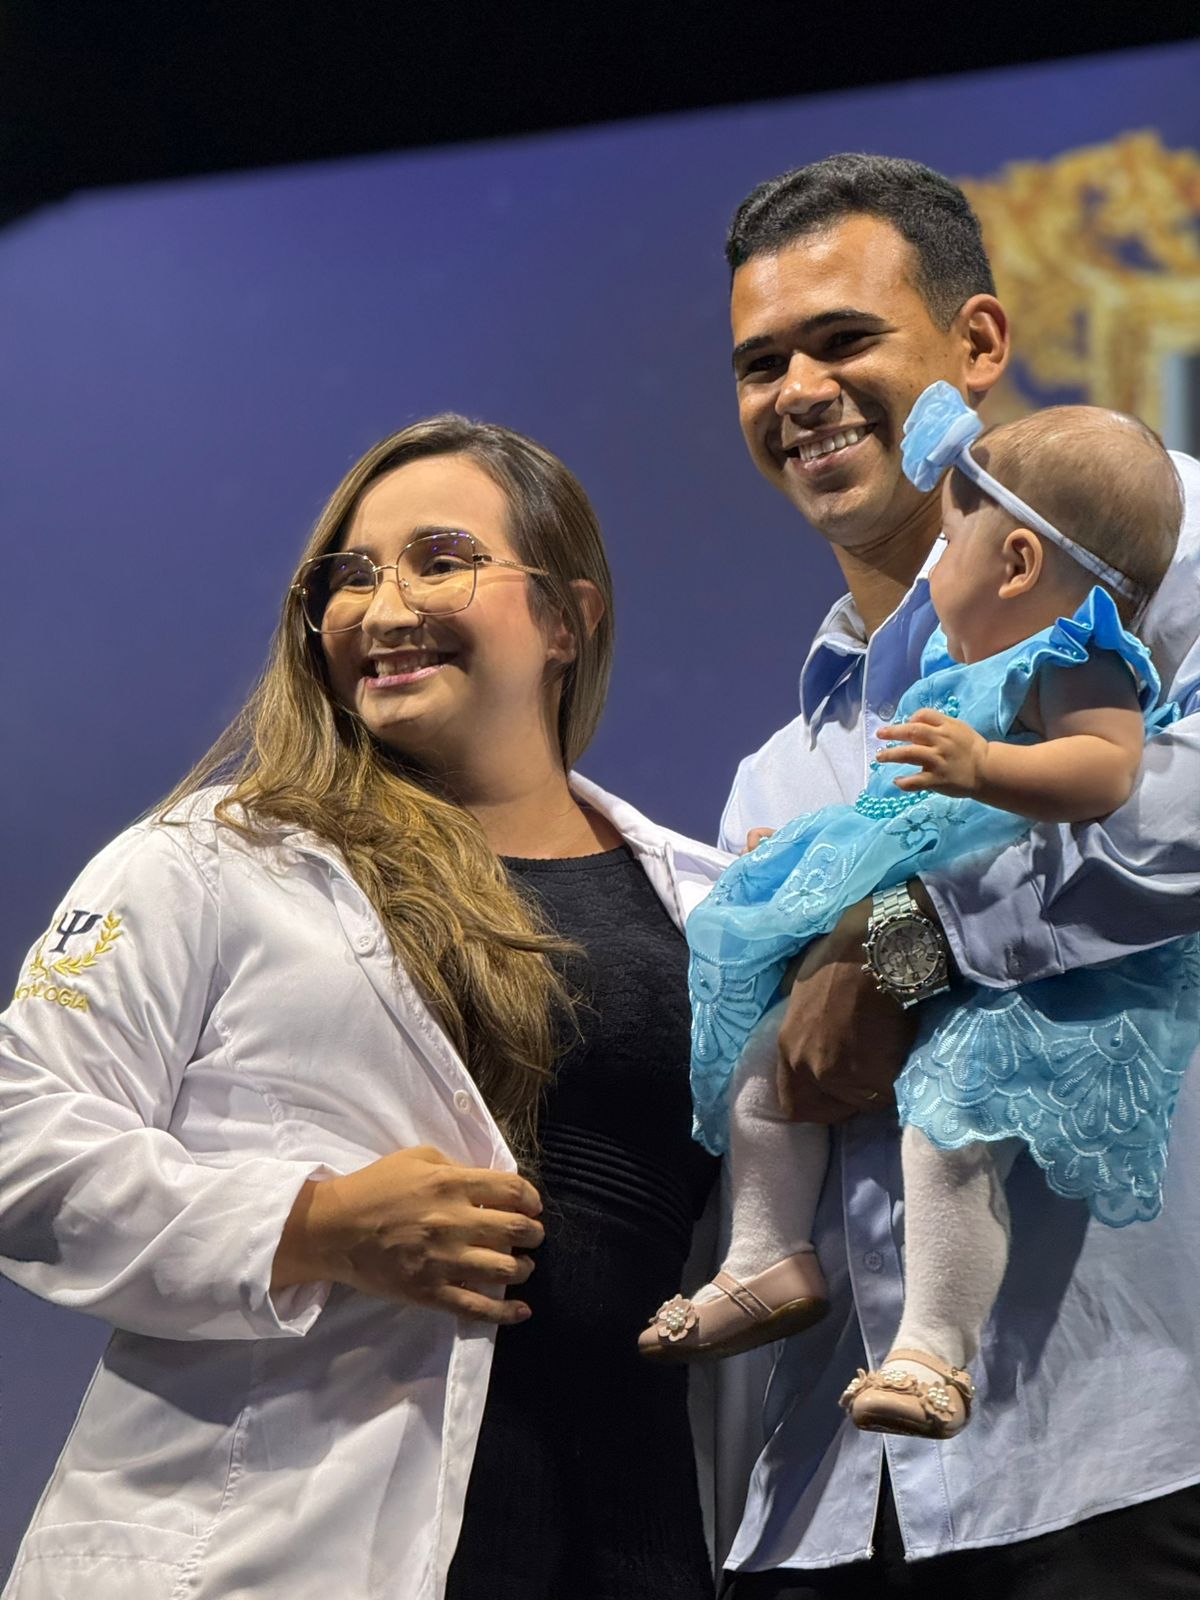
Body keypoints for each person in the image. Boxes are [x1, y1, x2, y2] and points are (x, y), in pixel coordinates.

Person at [0, 416, 734, 1600]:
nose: (384, 609)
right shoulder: (210, 861)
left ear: (568, 618)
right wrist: (315, 1224)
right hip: (280, 1551)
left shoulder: (713, 908)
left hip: (631, 1548)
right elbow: (22, 1148)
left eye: (441, 560)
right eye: (349, 576)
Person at [708, 155, 1200, 1597]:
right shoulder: (774, 774)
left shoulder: (1160, 541)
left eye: (843, 340)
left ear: (977, 344)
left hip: (1122, 1448)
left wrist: (908, 937)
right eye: (760, 363)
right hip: (826, 1504)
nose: (799, 391)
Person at [640, 383, 1197, 1445]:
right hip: (833, 1498)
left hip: (1020, 991)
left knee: (949, 1129)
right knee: (763, 1068)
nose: (930, 573)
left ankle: (934, 1348)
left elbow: (1111, 773)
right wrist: (806, 860)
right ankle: (764, 1256)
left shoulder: (1078, 656)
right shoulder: (904, 688)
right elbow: (891, 814)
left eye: (949, 541)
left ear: (1018, 564)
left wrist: (985, 766)